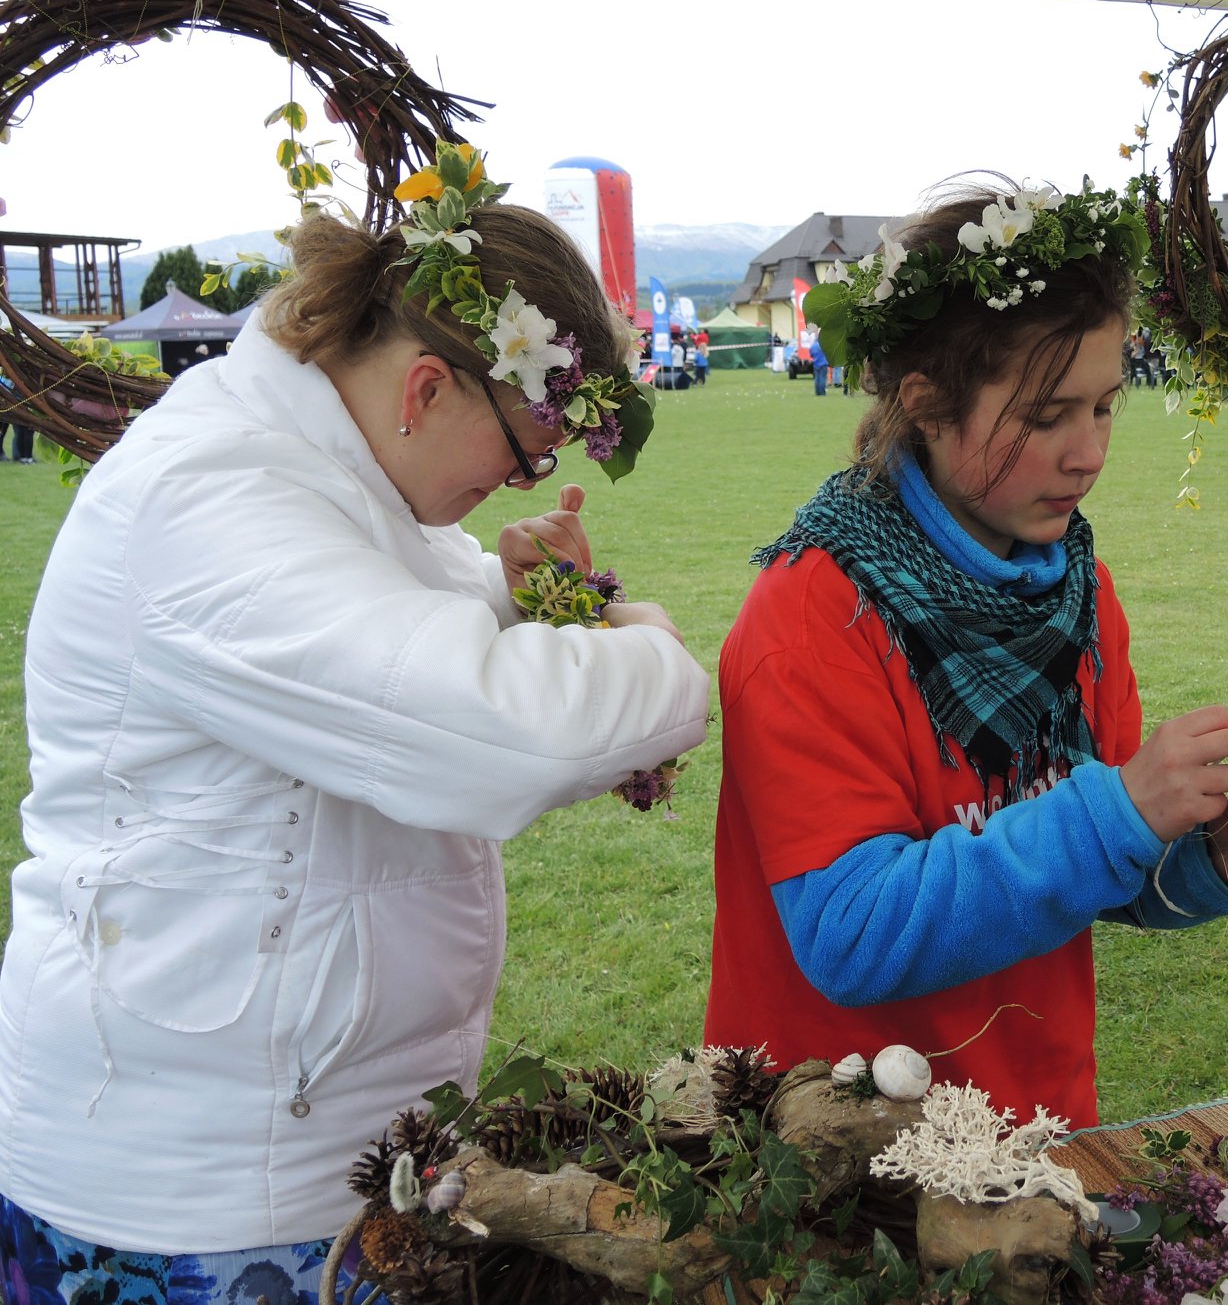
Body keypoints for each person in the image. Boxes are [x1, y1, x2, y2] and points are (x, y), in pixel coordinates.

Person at [0, 142, 711, 1298]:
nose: (518, 487)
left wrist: (506, 594)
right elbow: (497, 729)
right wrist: (653, 646)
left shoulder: (333, 479)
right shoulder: (209, 496)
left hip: (314, 1144)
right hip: (198, 1185)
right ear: (426, 389)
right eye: (520, 457)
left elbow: (377, 626)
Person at [704, 179, 1228, 1127]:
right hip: (841, 1153)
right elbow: (850, 932)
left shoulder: (1076, 591)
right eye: (1045, 415)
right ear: (927, 405)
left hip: (1037, 1130)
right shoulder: (813, 613)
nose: (1089, 453)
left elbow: (1090, 873)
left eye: (1105, 406)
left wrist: (1209, 862)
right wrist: (1117, 812)